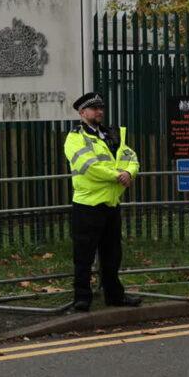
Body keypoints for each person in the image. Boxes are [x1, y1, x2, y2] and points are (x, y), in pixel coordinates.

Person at [64, 92, 142, 312]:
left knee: (112, 254)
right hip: (87, 204)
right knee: (83, 256)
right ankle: (82, 298)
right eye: (94, 108)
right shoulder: (75, 137)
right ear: (82, 113)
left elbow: (131, 157)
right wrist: (118, 175)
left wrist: (129, 172)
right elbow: (88, 165)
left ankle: (114, 296)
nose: (99, 112)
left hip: (111, 203)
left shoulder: (112, 134)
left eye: (101, 108)